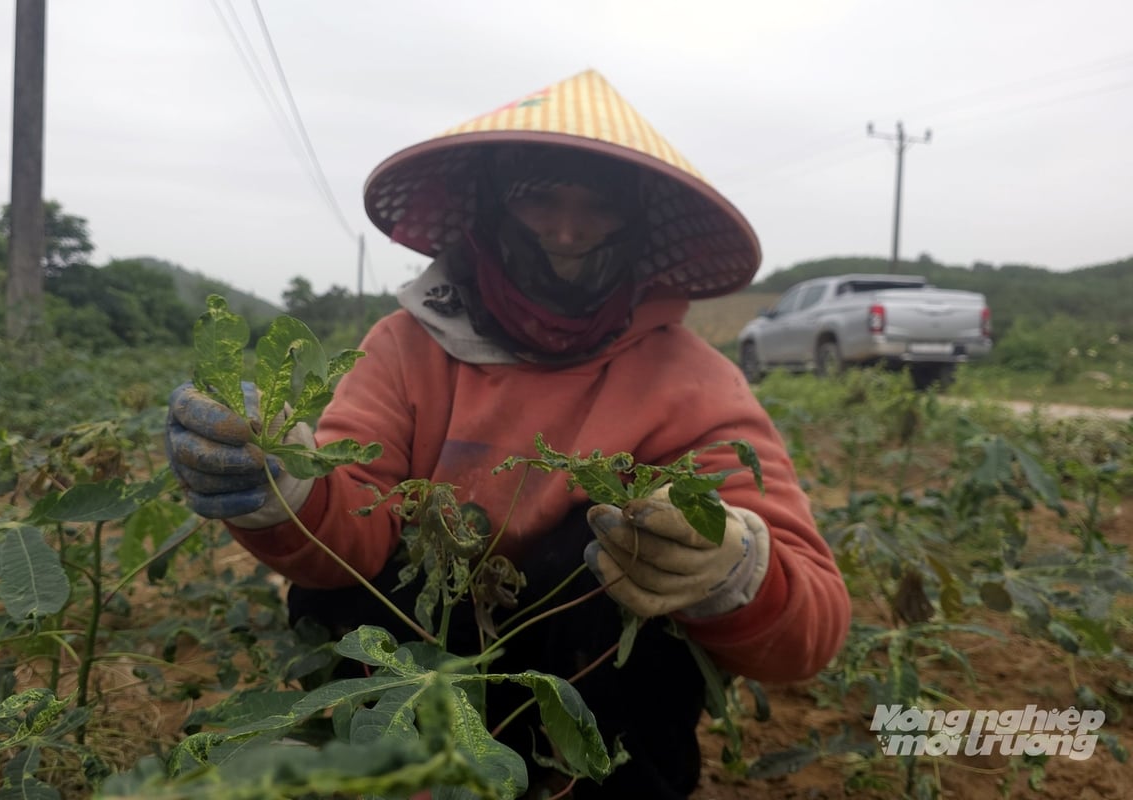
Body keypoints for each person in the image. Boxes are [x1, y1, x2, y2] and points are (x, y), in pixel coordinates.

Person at [166, 70, 851, 798]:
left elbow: (811, 623)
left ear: (640, 225)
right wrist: (288, 488)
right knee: (357, 591)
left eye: (600, 206)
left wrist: (733, 568)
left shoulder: (691, 381)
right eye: (539, 197)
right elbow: (354, 520)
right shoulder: (409, 346)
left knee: (596, 560)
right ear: (489, 208)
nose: (566, 230)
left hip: (594, 723)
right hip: (413, 674)